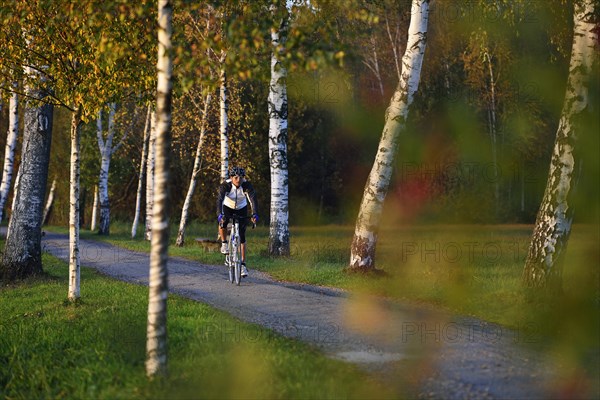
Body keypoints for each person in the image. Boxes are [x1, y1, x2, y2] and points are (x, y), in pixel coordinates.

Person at [216, 166, 258, 278]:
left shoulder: (247, 186)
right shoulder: (226, 185)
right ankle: (224, 243)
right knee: (223, 223)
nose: (238, 180)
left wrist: (254, 214)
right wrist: (220, 215)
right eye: (236, 177)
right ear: (231, 177)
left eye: (241, 177)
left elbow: (252, 200)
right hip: (227, 206)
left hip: (241, 208)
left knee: (242, 236)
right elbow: (220, 201)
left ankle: (243, 265)